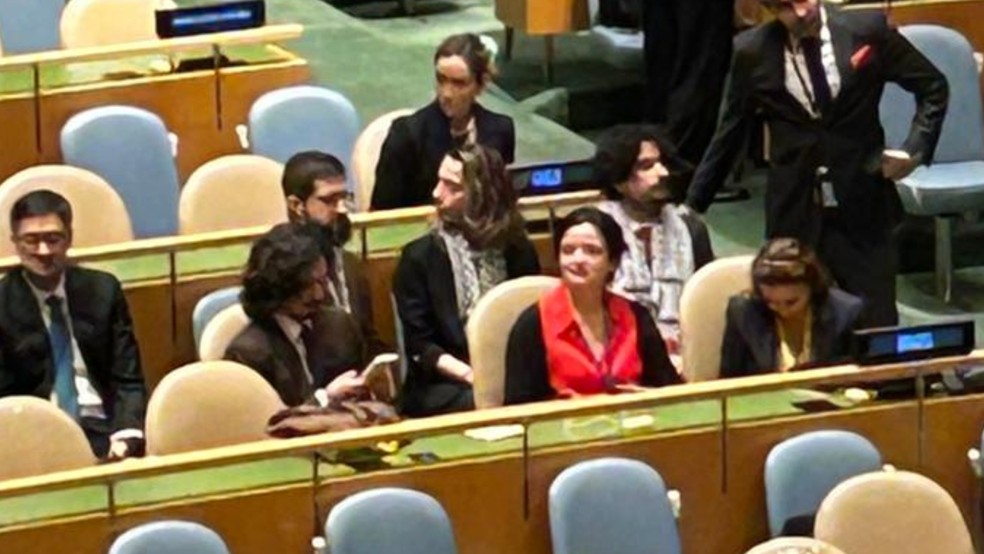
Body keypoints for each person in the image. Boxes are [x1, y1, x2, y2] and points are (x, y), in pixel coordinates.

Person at [687, 0, 948, 327]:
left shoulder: (866, 30)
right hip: (794, 208)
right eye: (784, 6)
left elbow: (934, 87)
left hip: (861, 200)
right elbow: (730, 133)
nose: (799, 12)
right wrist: (693, 206)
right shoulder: (751, 51)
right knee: (793, 322)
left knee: (875, 322)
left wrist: (914, 150)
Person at [393, 143, 539, 416]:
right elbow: (420, 345)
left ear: (483, 195)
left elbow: (532, 322)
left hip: (512, 373)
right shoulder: (419, 257)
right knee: (482, 401)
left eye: (453, 187)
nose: (437, 194)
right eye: (439, 181)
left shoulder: (519, 249)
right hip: (446, 382)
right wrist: (475, 376)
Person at [0, 190, 146, 459]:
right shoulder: (2, 303)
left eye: (53, 239)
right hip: (33, 437)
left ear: (69, 238)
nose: (43, 251)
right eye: (31, 240)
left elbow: (128, 379)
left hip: (104, 431)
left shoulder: (103, 290)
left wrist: (126, 434)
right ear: (14, 242)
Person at [504, 208, 681, 406]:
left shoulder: (636, 316)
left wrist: (645, 398)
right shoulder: (533, 325)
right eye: (568, 251)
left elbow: (670, 392)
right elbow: (518, 411)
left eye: (592, 251)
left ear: (612, 263)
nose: (578, 260)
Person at [594, 125, 715, 353]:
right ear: (618, 179)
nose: (662, 173)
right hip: (616, 351)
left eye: (661, 163)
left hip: (686, 349)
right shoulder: (595, 228)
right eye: (646, 166)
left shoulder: (690, 227)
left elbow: (706, 299)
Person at [224, 223, 373, 407]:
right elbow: (268, 424)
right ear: (279, 287)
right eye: (308, 286)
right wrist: (325, 399)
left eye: (322, 280)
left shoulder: (340, 326)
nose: (320, 294)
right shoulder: (247, 354)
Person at [371, 33, 515, 210]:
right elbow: (381, 217)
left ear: (481, 84)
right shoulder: (407, 135)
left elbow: (501, 204)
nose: (446, 93)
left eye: (459, 83)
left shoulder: (501, 130)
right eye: (441, 79)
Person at [282, 150, 387, 356]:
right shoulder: (282, 273)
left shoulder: (350, 264)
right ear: (297, 205)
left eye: (344, 197)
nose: (342, 209)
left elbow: (368, 338)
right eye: (329, 199)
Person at [720, 238, 863, 378]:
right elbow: (728, 381)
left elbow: (856, 379)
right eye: (771, 302)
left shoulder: (845, 312)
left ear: (812, 288)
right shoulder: (743, 312)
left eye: (791, 302)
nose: (782, 310)